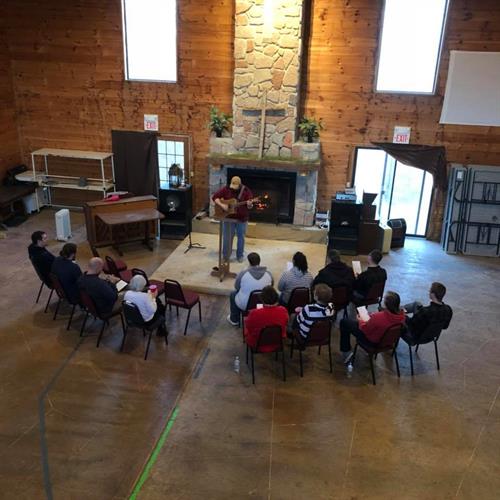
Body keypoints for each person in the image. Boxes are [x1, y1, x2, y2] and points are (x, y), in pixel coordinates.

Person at [339, 291, 406, 365]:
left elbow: (364, 329)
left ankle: (346, 352)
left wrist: (360, 320)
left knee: (344, 322)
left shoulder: (379, 317)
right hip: (388, 342)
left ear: (387, 304)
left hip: (372, 342)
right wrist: (372, 317)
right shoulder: (402, 316)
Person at [212, 176, 254, 263]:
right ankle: (226, 256)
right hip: (228, 217)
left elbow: (250, 206)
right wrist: (222, 205)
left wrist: (250, 204)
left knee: (241, 237)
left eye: (235, 186)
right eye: (232, 185)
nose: (233, 188)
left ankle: (240, 255)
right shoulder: (226, 189)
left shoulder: (246, 191)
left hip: (241, 218)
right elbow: (215, 197)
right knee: (227, 237)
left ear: (239, 185)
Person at [227, 252, 273, 326]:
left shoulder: (243, 273)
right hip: (262, 304)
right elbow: (271, 288)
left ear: (249, 262)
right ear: (259, 261)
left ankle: (234, 319)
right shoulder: (269, 274)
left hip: (245, 305)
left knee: (233, 294)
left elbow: (236, 287)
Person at [244, 286, 289, 351]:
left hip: (257, 343)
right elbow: (286, 323)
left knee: (245, 323)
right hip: (278, 342)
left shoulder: (254, 313)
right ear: (277, 298)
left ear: (262, 299)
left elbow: (248, 326)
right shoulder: (283, 310)